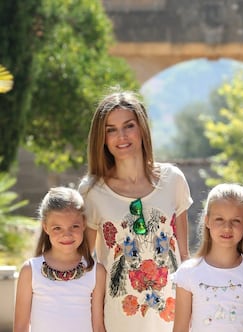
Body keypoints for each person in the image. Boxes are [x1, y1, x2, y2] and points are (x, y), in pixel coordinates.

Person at [78, 88, 193, 332]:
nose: (122, 136)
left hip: (173, 320)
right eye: (111, 129)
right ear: (102, 138)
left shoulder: (174, 180)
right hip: (118, 318)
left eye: (129, 126)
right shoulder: (91, 191)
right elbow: (86, 267)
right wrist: (97, 324)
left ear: (142, 128)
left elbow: (184, 259)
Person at [172, 183, 243, 332]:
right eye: (219, 219)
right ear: (207, 220)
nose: (227, 227)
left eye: (236, 221)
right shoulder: (188, 273)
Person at [13, 187, 106, 332]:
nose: (67, 235)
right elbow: (20, 327)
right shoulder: (30, 271)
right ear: (45, 227)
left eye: (74, 226)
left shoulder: (96, 272)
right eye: (57, 228)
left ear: (83, 224)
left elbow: (98, 326)